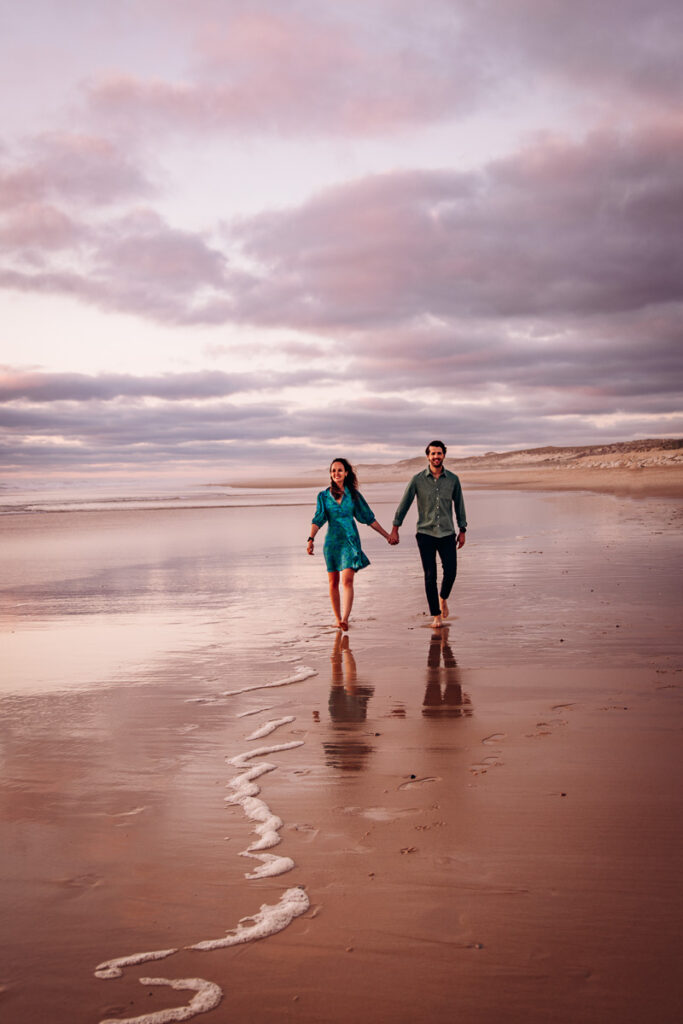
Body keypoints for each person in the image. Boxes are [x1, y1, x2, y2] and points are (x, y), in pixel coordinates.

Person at [307, 458, 393, 630]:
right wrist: (311, 539)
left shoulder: (354, 496)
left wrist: (386, 535)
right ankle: (337, 618)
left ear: (346, 473)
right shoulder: (323, 496)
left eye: (340, 470)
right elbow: (318, 519)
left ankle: (345, 619)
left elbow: (368, 518)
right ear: (330, 474)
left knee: (347, 579)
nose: (336, 474)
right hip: (332, 543)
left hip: (350, 542)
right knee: (333, 582)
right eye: (333, 471)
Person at [389, 440, 467, 628]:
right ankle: (436, 616)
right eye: (432, 454)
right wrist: (395, 528)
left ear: (444, 455)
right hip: (425, 533)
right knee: (430, 575)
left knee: (451, 572)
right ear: (427, 456)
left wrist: (462, 529)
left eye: (439, 453)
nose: (436, 457)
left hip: (447, 532)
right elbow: (404, 503)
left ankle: (443, 598)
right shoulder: (417, 480)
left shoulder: (453, 479)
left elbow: (460, 505)